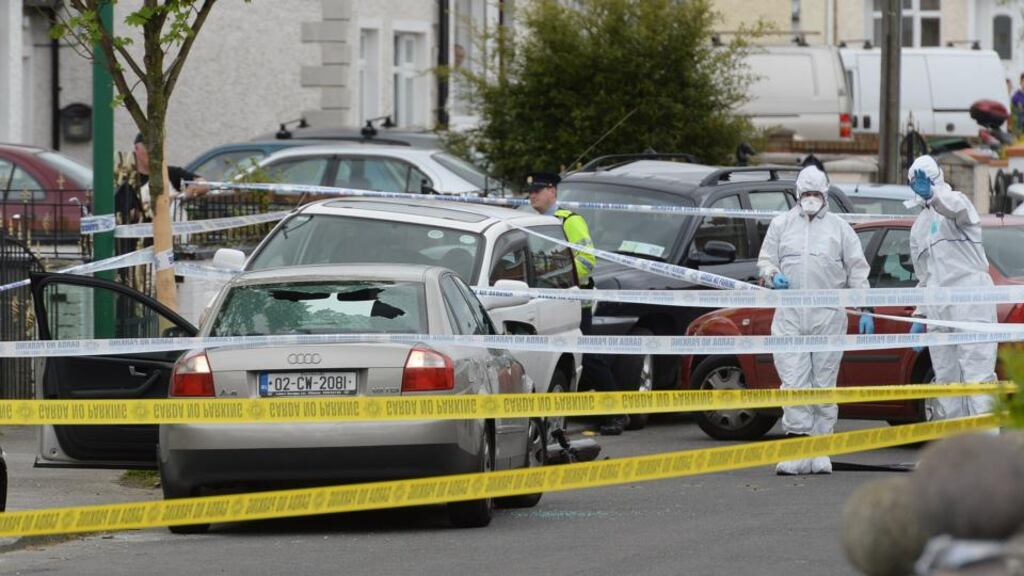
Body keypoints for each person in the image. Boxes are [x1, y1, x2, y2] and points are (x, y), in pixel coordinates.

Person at [758, 166, 872, 475]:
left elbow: (857, 270)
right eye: (806, 194)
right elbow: (766, 260)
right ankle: (797, 450)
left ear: (825, 195)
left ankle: (821, 449)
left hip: (829, 317)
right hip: (790, 317)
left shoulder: (839, 229)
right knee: (794, 385)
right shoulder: (781, 225)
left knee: (823, 385)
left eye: (816, 194)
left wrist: (863, 309)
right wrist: (772, 275)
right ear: (798, 194)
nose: (811, 199)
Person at [525, 171, 625, 435]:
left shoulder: (569, 221)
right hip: (542, 301)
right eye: (530, 190)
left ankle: (616, 413)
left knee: (589, 358)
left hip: (573, 301)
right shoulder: (526, 220)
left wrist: (560, 282)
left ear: (552, 191)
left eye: (538, 189)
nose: (532, 194)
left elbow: (586, 260)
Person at [907, 155, 997, 422]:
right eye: (916, 184)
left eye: (925, 182)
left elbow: (954, 208)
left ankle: (985, 452)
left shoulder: (957, 204)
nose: (920, 188)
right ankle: (958, 450)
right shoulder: (918, 228)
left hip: (971, 301)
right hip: (938, 307)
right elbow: (924, 276)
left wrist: (934, 195)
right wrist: (920, 314)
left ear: (936, 180)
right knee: (946, 381)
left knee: (977, 377)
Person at [115, 132, 209, 224]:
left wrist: (179, 197)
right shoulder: (123, 178)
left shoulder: (170, 174)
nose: (153, 152)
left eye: (156, 148)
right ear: (137, 148)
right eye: (148, 147)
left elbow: (203, 185)